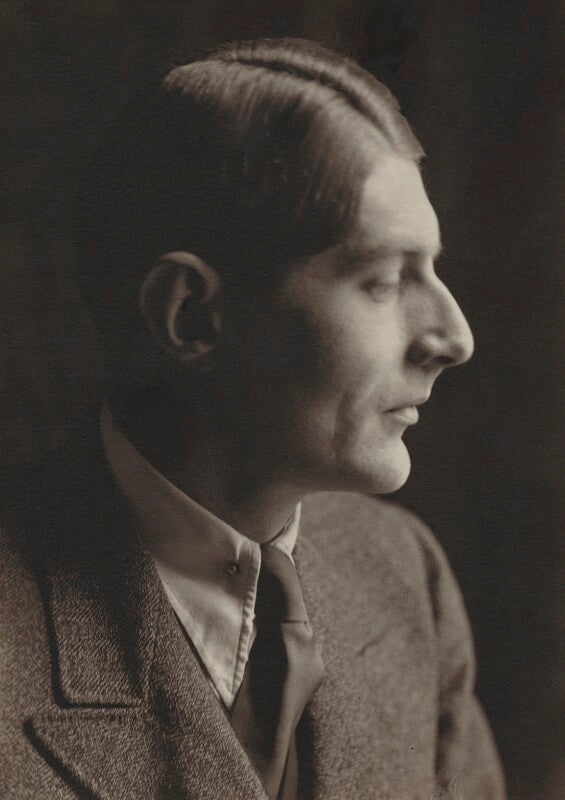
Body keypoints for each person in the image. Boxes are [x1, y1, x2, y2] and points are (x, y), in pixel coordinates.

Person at [0, 38, 506, 800]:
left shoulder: (401, 570)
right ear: (192, 316)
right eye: (381, 281)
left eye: (431, 270)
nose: (452, 337)